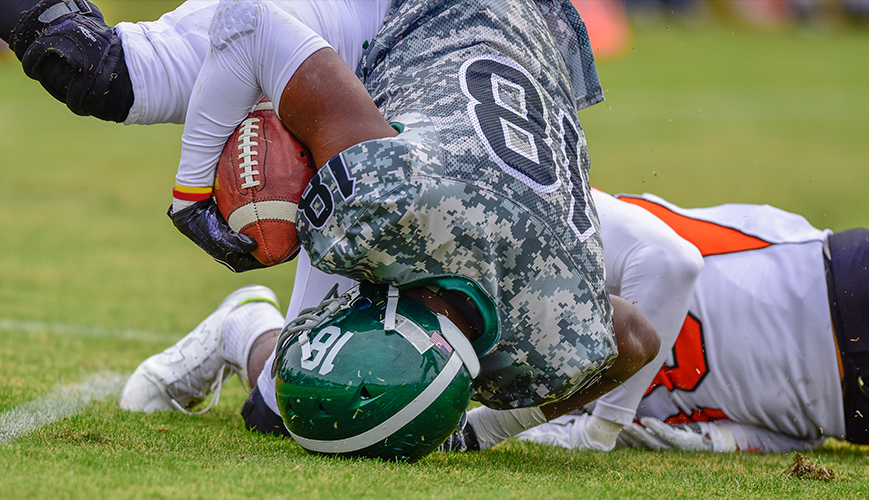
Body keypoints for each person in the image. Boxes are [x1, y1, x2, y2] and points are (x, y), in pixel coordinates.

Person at [5, 0, 660, 451]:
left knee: (285, 411)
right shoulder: (390, 198)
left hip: (512, 45)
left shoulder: (553, 327)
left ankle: (239, 327)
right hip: (390, 17)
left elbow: (634, 339)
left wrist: (476, 429)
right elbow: (251, 22)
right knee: (93, 67)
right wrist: (191, 191)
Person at [515, 190, 869, 453]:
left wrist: (604, 426)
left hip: (830, 290)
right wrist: (720, 441)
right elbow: (789, 433)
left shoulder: (561, 232)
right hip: (840, 409)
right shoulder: (529, 396)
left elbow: (673, 263)